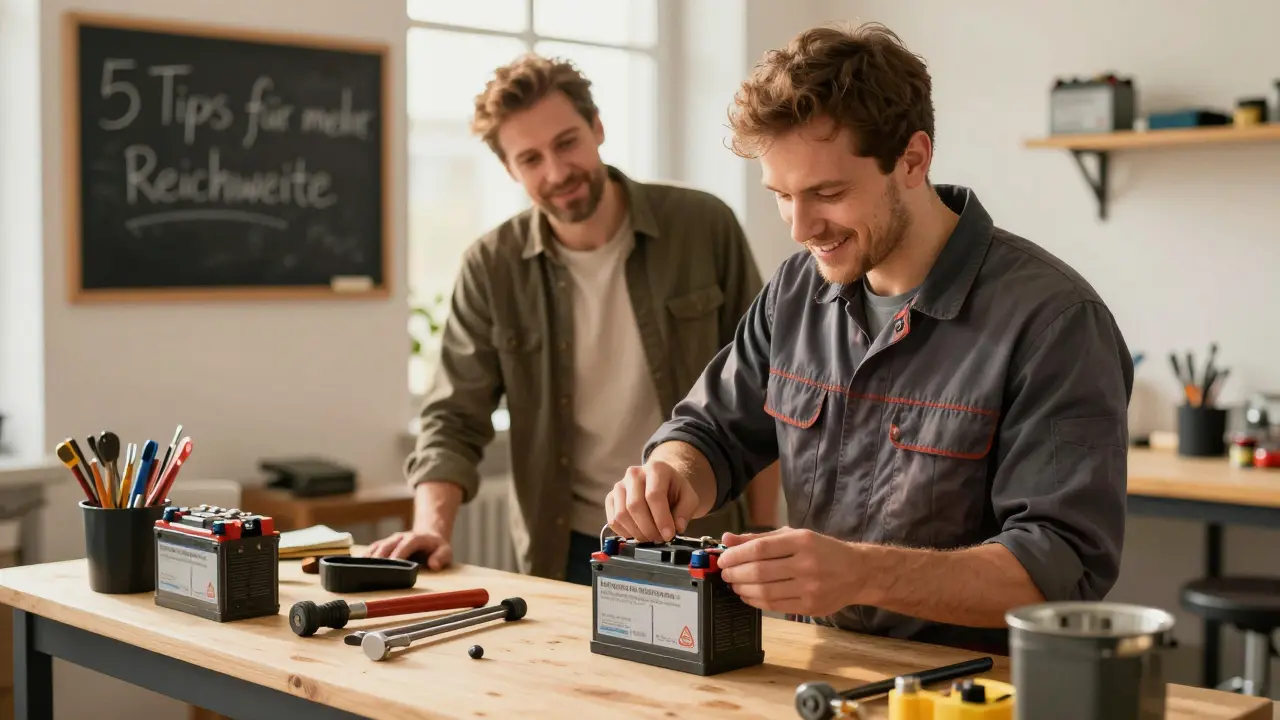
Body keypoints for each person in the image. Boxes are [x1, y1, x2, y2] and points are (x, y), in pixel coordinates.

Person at [604, 22, 1133, 653]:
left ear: (913, 159)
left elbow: (1060, 568)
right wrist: (669, 475)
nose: (801, 227)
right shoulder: (796, 290)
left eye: (827, 193)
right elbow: (710, 433)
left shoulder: (1054, 321)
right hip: (818, 673)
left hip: (975, 689)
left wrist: (861, 573)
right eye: (782, 195)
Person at [366, 53, 781, 585]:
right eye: (531, 159)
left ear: (598, 128)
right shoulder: (491, 266)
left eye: (567, 143)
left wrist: (766, 528)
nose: (557, 173)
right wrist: (431, 527)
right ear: (509, 169)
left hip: (705, 536)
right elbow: (453, 418)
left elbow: (766, 386)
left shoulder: (703, 226)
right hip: (567, 547)